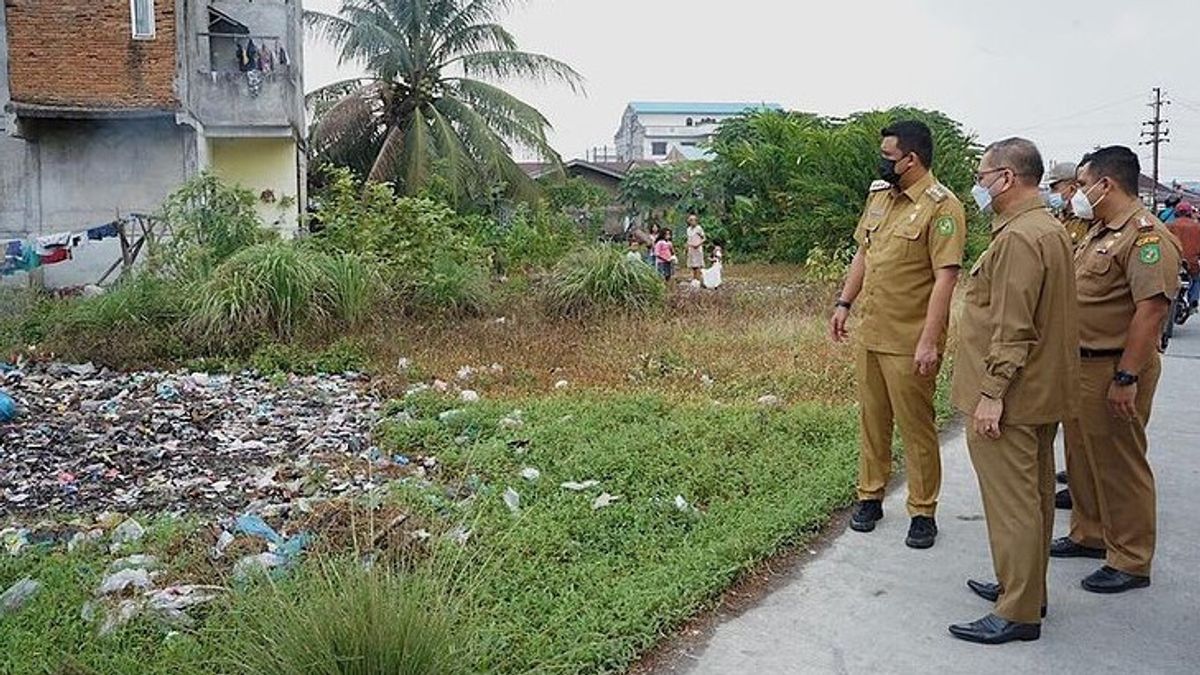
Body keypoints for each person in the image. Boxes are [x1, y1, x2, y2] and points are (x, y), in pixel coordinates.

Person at [947, 138, 1079, 645]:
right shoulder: (1044, 228)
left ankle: (1019, 611)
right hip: (1037, 392)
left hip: (1014, 396)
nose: (979, 185)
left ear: (1006, 177)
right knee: (1037, 496)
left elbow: (1013, 326)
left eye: (983, 176)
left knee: (1014, 504)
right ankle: (1024, 589)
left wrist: (992, 392)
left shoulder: (1022, 237)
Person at [830, 120, 966, 549]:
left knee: (916, 426)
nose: (882, 162)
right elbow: (863, 254)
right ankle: (870, 496)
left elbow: (946, 280)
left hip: (911, 338)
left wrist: (930, 339)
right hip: (872, 331)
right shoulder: (878, 197)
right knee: (872, 420)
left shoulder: (942, 208)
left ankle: (923, 509)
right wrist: (843, 303)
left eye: (889, 157)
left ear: (912, 159)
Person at [1053, 146, 1181, 594]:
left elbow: (1151, 311)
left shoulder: (1146, 237)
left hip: (1113, 367)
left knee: (1120, 464)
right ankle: (1089, 534)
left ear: (1106, 184)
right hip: (1081, 365)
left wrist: (1126, 377)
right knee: (1083, 458)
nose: (1079, 193)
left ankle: (1130, 558)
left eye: (1084, 184)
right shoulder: (1097, 232)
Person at [1044, 161, 1090, 247]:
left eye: (1055, 188)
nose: (1051, 193)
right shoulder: (1056, 216)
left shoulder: (1086, 218)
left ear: (1073, 188)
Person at [1166, 202, 1200, 311]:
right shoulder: (1197, 227)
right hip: (1191, 263)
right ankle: (1193, 300)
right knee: (1196, 280)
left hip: (1172, 262)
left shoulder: (1168, 226)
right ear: (1190, 213)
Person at [685, 214, 707, 282]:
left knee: (698, 264)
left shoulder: (698, 228)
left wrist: (698, 244)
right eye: (691, 220)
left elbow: (704, 238)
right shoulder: (688, 229)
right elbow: (688, 239)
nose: (692, 221)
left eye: (694, 220)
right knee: (692, 265)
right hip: (691, 248)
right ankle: (694, 278)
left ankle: (698, 279)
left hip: (697, 248)